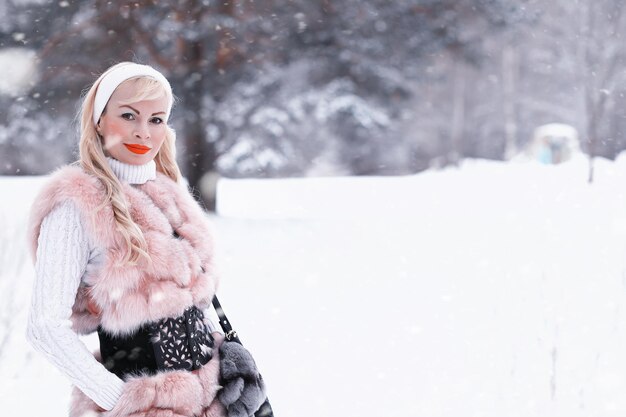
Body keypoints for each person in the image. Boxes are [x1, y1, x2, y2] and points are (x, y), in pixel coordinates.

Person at [26, 62, 266, 417]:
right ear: (99, 119)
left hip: (212, 402)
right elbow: (44, 327)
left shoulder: (170, 192)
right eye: (128, 115)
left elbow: (194, 301)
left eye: (156, 119)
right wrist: (122, 400)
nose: (143, 132)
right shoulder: (77, 203)